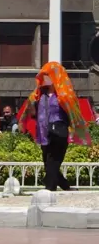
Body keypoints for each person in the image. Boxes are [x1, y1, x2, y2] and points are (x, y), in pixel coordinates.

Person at [26, 62, 91, 191]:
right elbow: (31, 113)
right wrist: (31, 107)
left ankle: (49, 188)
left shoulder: (65, 95)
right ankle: (65, 186)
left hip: (59, 132)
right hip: (44, 134)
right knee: (48, 162)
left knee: (53, 160)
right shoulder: (38, 95)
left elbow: (73, 114)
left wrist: (74, 130)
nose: (44, 78)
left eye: (47, 75)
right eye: (43, 75)